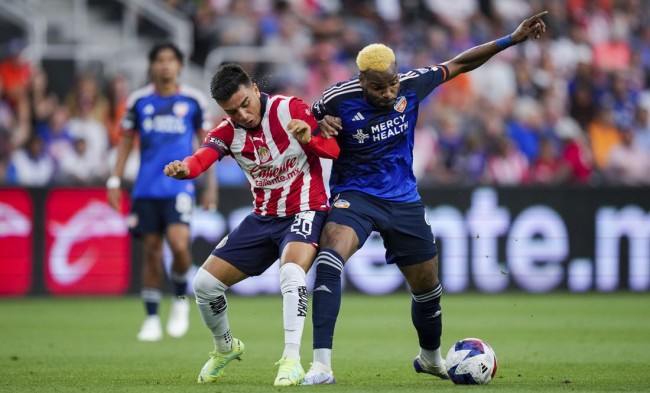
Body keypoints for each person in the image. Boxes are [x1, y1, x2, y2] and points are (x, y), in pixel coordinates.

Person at [302, 11, 548, 385]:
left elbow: (460, 63)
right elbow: (304, 121)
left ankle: (431, 359)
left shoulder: (413, 84)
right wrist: (318, 125)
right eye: (379, 88)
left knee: (427, 286)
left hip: (403, 199)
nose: (389, 93)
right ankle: (321, 366)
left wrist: (511, 39)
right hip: (356, 194)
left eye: (393, 85)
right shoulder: (338, 97)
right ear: (362, 81)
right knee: (330, 256)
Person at [162, 63, 339, 386]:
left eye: (246, 103)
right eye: (233, 110)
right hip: (263, 218)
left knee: (291, 273)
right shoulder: (227, 131)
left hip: (305, 209)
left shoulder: (289, 109)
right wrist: (184, 169)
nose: (242, 114)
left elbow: (333, 150)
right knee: (203, 286)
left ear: (255, 90)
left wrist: (308, 139)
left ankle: (291, 360)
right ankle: (225, 347)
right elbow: (202, 157)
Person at [107, 42, 217, 342]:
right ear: (152, 66)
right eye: (160, 60)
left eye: (171, 60)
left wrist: (210, 187)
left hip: (179, 187)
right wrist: (115, 181)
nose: (166, 65)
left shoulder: (193, 101)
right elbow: (126, 142)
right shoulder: (139, 101)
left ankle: (180, 301)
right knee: (152, 253)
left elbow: (209, 147)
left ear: (179, 65)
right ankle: (152, 319)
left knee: (180, 246)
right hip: (145, 188)